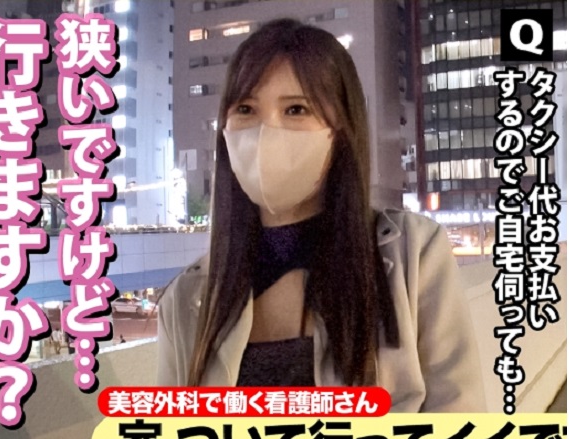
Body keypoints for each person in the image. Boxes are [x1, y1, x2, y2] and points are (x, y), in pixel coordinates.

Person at [157, 18, 486, 412]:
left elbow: (458, 414)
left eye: (296, 109)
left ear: (340, 129)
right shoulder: (188, 299)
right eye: (246, 109)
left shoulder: (413, 254)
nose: (265, 132)